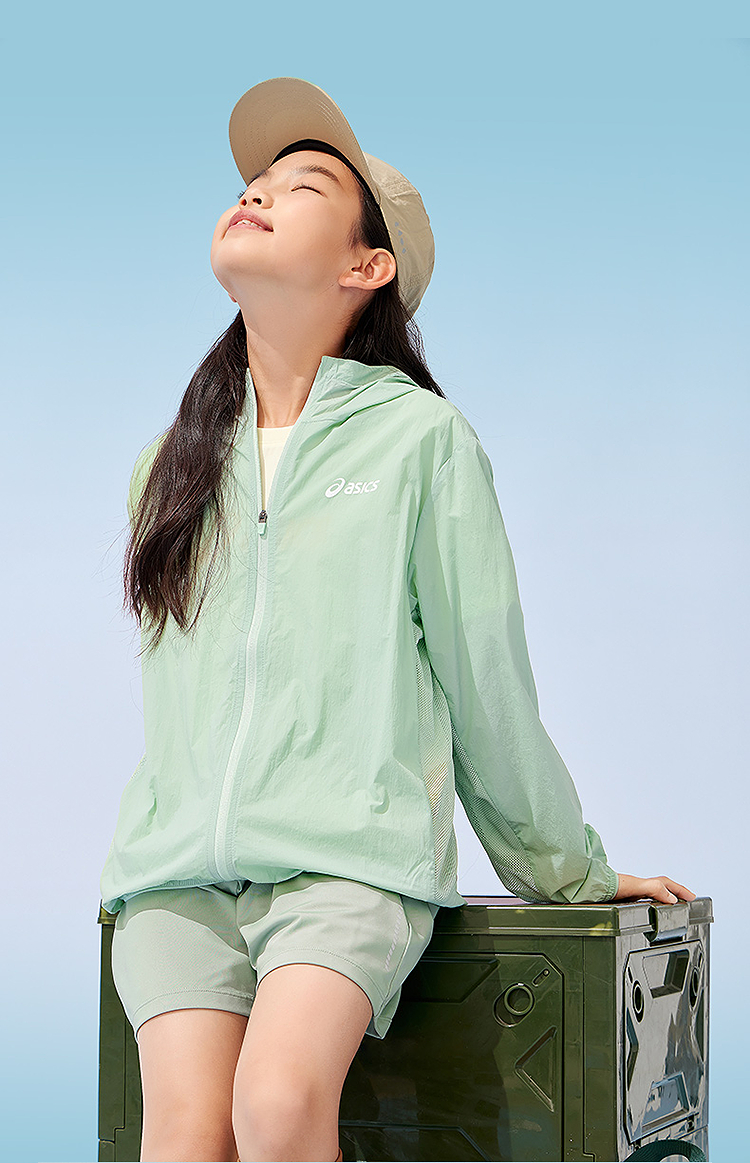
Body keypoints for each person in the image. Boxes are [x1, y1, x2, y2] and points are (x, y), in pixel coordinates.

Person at [99, 77, 697, 1163]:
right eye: (252, 181)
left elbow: (484, 679)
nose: (257, 192)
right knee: (182, 1138)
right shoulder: (168, 465)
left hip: (344, 868)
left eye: (302, 185)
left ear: (365, 266)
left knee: (277, 1104)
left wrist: (564, 869)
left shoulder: (421, 443)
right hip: (177, 875)